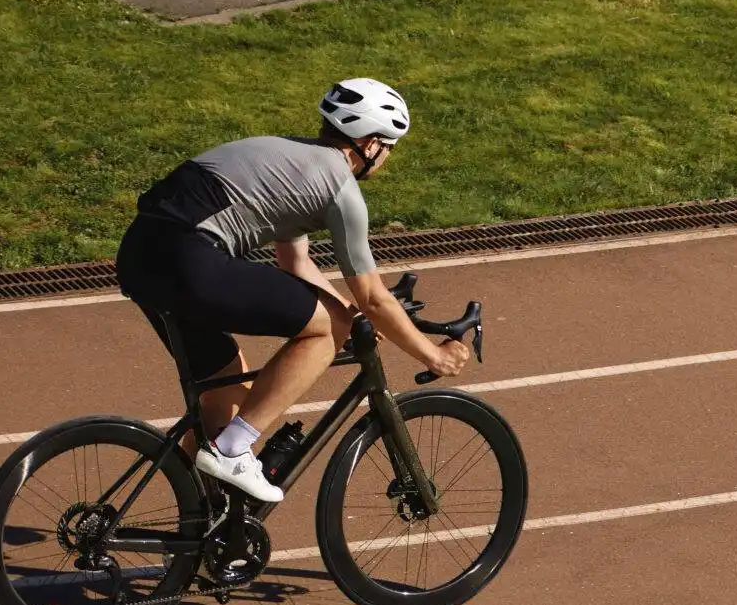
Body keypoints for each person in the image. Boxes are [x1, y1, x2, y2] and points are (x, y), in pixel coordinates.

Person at [114, 77, 471, 504]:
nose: (387, 158)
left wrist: (349, 311)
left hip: (141, 255)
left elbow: (295, 263)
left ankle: (197, 527)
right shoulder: (341, 188)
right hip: (190, 257)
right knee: (326, 329)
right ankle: (233, 450)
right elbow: (373, 296)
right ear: (371, 144)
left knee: (224, 389)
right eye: (389, 147)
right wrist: (433, 355)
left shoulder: (290, 155)